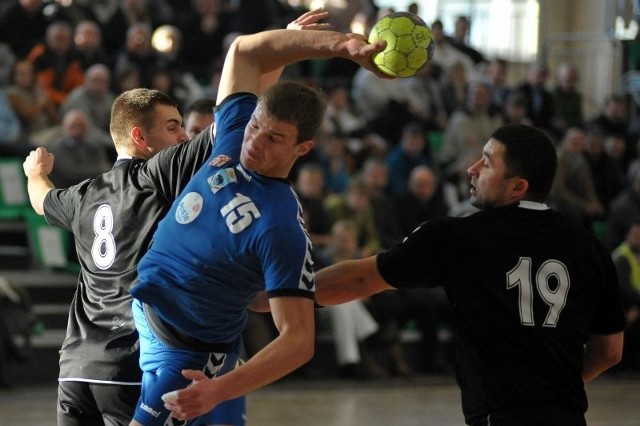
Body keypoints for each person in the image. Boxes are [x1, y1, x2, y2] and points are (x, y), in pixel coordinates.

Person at [132, 11, 387, 424]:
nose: (254, 143)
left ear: (302, 149)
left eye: (274, 139)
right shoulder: (236, 131)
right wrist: (340, 45)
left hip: (186, 351)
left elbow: (299, 341)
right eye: (256, 127)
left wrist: (219, 388)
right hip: (155, 316)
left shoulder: (280, 224)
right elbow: (244, 52)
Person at [312, 123, 625, 426]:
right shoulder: (592, 248)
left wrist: (284, 294)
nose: (471, 169)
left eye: (486, 163)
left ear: (518, 187)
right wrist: (558, 388)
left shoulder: (459, 237)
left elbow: (362, 279)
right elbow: (610, 351)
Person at [21, 87, 243, 426]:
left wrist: (35, 172)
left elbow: (41, 200)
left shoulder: (84, 194)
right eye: (172, 127)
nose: (184, 136)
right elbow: (234, 117)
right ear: (139, 136)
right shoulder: (158, 175)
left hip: (77, 369)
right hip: (134, 363)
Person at [611, 220, 640, 372]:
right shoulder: (622, 257)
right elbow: (622, 290)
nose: (637, 239)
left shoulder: (636, 255)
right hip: (623, 306)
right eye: (635, 236)